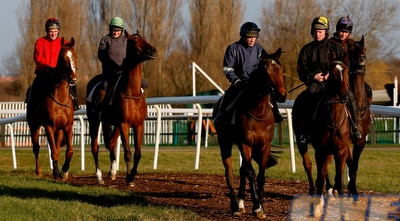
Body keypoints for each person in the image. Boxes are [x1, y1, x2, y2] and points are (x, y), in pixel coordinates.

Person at [295, 16, 361, 144]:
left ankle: (355, 127)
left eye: (320, 31)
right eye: (315, 31)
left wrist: (330, 75)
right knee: (309, 95)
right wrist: (314, 76)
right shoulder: (306, 49)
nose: (317, 34)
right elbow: (301, 70)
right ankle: (305, 131)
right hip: (316, 84)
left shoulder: (336, 47)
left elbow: (343, 67)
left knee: (350, 96)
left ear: (326, 31)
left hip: (333, 84)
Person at [214, 21, 283, 124]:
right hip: (240, 83)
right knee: (229, 95)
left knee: (270, 92)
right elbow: (227, 69)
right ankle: (220, 115)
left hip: (256, 83)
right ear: (243, 36)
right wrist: (236, 81)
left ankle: (276, 113)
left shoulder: (259, 49)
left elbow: (265, 68)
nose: (252, 40)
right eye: (249, 37)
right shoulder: (233, 48)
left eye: (254, 37)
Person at [30, 17, 80, 110]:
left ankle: (75, 101)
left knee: (72, 80)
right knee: (36, 85)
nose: (53, 34)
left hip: (60, 73)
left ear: (58, 31)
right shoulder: (40, 42)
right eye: (51, 31)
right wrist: (48, 66)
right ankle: (33, 104)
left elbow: (69, 57)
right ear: (47, 31)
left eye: (55, 31)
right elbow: (38, 58)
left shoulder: (64, 43)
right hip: (45, 72)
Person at [97, 16, 148, 106]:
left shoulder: (126, 40)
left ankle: (142, 104)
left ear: (121, 30)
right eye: (114, 30)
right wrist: (112, 65)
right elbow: (101, 55)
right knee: (104, 85)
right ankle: (100, 107)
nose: (116, 32)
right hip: (109, 72)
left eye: (118, 30)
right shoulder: (105, 40)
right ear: (110, 29)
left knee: (143, 83)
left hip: (124, 71)